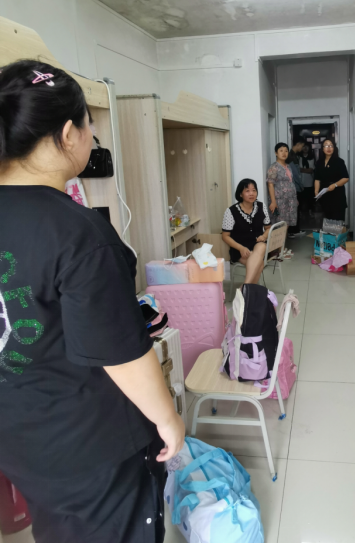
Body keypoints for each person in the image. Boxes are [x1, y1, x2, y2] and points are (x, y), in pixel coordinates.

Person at [0, 60, 185, 543]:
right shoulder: (78, 233)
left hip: (18, 440)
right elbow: (121, 353)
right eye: (89, 128)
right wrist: (168, 419)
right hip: (93, 448)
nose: (90, 138)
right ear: (68, 135)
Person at [221, 178, 272, 282]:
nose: (251, 193)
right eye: (247, 191)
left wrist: (264, 236)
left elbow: (268, 228)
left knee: (262, 246)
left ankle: (245, 287)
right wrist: (241, 248)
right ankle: (246, 288)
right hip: (240, 249)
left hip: (258, 245)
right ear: (240, 194)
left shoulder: (261, 206)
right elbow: (225, 236)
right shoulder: (231, 211)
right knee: (260, 264)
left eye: (254, 190)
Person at [314, 137, 349, 222]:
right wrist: (316, 191)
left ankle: (339, 231)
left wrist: (335, 185)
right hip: (325, 194)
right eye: (326, 146)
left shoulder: (339, 162)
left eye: (331, 145)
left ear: (334, 148)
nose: (328, 148)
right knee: (328, 220)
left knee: (338, 221)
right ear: (322, 149)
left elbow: (345, 178)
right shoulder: (319, 162)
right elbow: (317, 179)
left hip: (337, 194)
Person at [267, 142, 298, 237]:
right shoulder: (274, 167)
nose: (284, 153)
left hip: (290, 200)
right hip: (280, 201)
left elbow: (291, 183)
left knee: (287, 224)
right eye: (281, 151)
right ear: (276, 153)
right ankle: (278, 245)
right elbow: (270, 184)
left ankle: (282, 245)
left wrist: (295, 199)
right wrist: (273, 202)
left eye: (286, 151)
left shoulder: (288, 166)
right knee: (280, 224)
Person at [286, 136, 306, 238]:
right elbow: (295, 174)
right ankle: (293, 231)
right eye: (302, 146)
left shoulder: (294, 155)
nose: (302, 148)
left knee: (295, 209)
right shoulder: (291, 156)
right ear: (298, 144)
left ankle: (295, 229)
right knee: (294, 209)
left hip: (295, 186)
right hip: (295, 187)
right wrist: (301, 185)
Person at [299, 143, 315, 218]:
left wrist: (302, 170)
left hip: (309, 181)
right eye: (304, 147)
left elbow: (311, 170)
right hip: (301, 181)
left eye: (307, 147)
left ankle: (310, 211)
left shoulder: (311, 158)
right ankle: (300, 212)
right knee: (300, 198)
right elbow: (298, 169)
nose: (305, 148)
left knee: (309, 198)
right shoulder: (299, 157)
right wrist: (306, 170)